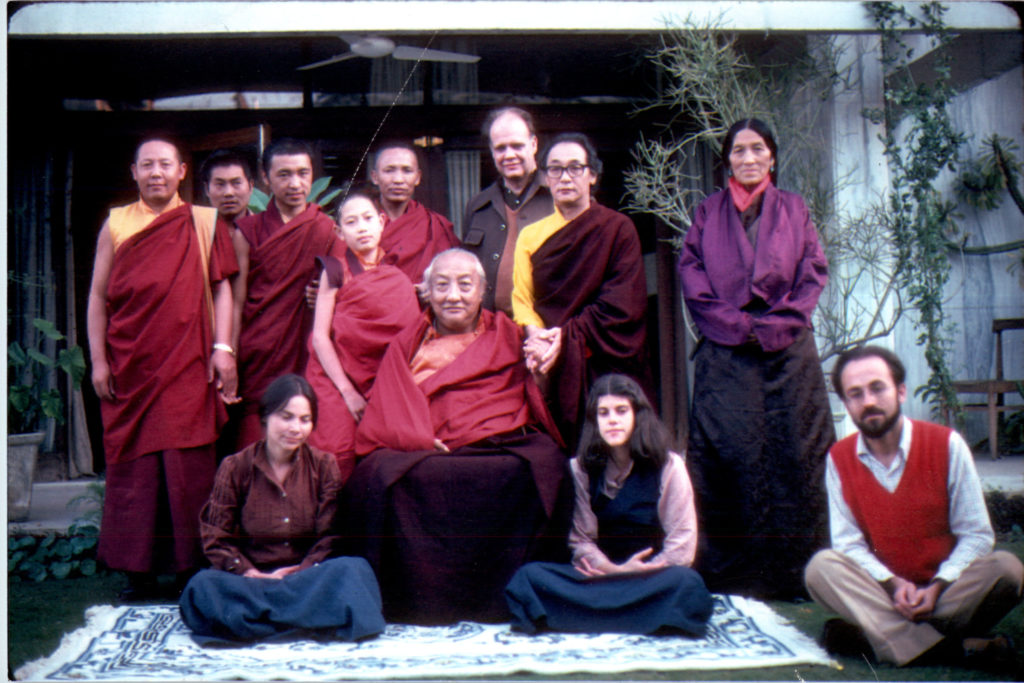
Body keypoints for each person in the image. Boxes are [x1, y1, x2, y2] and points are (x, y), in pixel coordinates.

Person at [342, 248, 571, 624]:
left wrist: (541, 365)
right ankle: (405, 602)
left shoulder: (506, 334)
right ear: (427, 292)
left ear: (482, 290)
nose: (453, 296)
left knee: (547, 462)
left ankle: (526, 593)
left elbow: (527, 391)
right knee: (375, 474)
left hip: (493, 439)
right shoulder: (408, 342)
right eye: (442, 285)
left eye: (465, 285)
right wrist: (414, 437)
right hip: (428, 443)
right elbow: (387, 402)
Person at [677, 118, 834, 599]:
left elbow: (812, 273)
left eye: (757, 149)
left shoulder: (795, 209)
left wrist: (771, 327)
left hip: (788, 353)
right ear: (727, 160)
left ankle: (799, 574)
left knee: (797, 455)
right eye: (739, 150)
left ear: (772, 156)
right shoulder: (708, 213)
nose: (748, 158)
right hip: (726, 353)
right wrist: (738, 326)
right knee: (729, 456)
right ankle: (732, 577)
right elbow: (693, 277)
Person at [804, 346, 1023, 671]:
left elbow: (977, 535)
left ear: (901, 391)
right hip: (883, 593)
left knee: (1008, 569)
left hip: (948, 593)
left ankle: (869, 636)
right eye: (855, 394)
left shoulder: (947, 445)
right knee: (821, 568)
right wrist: (894, 584)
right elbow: (848, 544)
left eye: (878, 388)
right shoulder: (839, 458)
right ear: (846, 404)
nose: (868, 401)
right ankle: (953, 649)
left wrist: (938, 585)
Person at [87, 136, 239, 600]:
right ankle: (138, 573)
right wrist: (98, 360)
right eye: (147, 165)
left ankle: (192, 566)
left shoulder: (203, 221)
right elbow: (98, 295)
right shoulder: (117, 223)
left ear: (181, 172)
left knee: (188, 466)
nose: (156, 172)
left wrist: (223, 348)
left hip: (187, 362)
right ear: (133, 172)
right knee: (135, 469)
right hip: (131, 364)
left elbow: (222, 289)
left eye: (165, 164)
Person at [179, 374, 386, 643]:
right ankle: (306, 622)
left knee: (354, 570)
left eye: (305, 420)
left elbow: (329, 537)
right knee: (202, 587)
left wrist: (299, 571)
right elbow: (216, 538)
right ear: (265, 417)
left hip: (306, 580)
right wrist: (250, 574)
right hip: (250, 584)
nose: (296, 428)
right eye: (286, 417)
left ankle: (258, 623)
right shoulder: (235, 467)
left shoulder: (324, 466)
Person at [505, 374, 713, 636]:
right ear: (595, 422)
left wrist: (639, 572)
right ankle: (639, 618)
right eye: (603, 413)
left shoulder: (668, 465)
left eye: (621, 411)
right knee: (529, 577)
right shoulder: (580, 468)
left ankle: (585, 618)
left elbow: (682, 545)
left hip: (650, 579)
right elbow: (581, 541)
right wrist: (614, 571)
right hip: (599, 577)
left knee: (686, 583)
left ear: (638, 415)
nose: (612, 420)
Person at [512, 132, 649, 448]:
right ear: (545, 178)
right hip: (551, 360)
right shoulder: (530, 236)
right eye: (555, 169)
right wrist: (539, 339)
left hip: (604, 354)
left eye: (575, 167)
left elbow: (622, 302)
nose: (565, 177)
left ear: (593, 175)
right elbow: (522, 299)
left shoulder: (618, 228)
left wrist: (566, 336)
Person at [233, 138, 345, 449]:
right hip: (260, 348)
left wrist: (324, 295)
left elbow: (345, 291)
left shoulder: (327, 229)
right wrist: (229, 353)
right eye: (284, 175)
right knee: (255, 436)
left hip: (305, 346)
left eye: (302, 173)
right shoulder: (248, 230)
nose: (295, 184)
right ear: (265, 178)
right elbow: (237, 301)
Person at [305, 188, 421, 482]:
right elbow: (320, 337)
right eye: (351, 222)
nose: (362, 228)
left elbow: (406, 336)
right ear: (339, 232)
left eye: (368, 219)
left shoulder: (395, 275)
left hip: (380, 377)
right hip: (334, 376)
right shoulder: (334, 270)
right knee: (337, 451)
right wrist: (347, 392)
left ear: (381, 222)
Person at [462, 107, 553, 315]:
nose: (509, 155)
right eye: (500, 148)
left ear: (533, 144)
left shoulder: (558, 199)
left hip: (546, 325)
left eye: (517, 146)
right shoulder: (477, 206)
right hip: (490, 325)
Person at [370, 141, 460, 284]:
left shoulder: (434, 226)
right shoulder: (359, 223)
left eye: (407, 171)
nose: (398, 180)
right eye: (389, 170)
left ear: (417, 177)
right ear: (375, 177)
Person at [200, 149, 255, 224]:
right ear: (207, 189)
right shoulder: (194, 228)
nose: (228, 192)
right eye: (220, 184)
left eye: (236, 183)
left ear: (251, 187)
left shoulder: (266, 228)